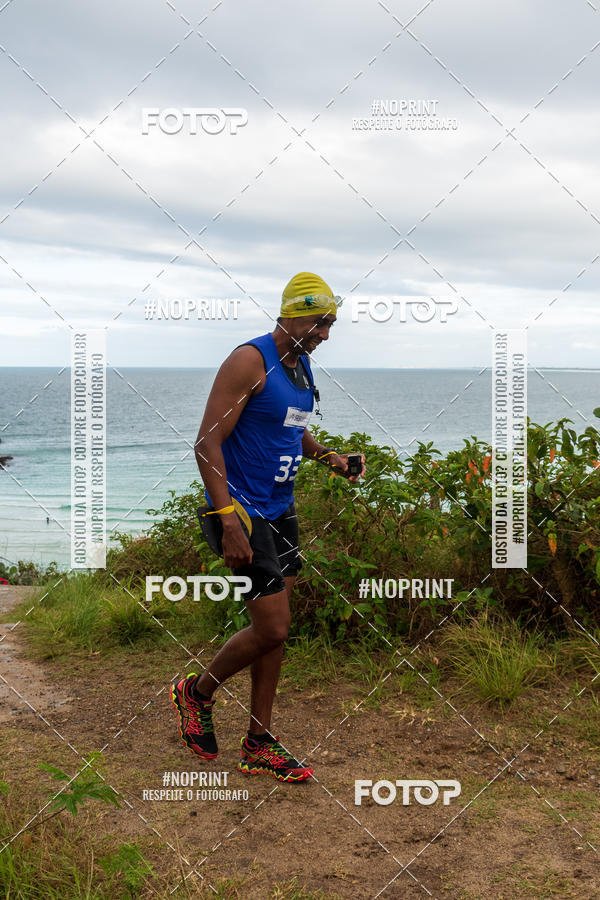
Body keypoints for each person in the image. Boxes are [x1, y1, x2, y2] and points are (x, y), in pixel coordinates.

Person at [171, 272, 365, 782]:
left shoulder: (299, 367)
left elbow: (292, 430)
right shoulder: (249, 361)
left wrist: (331, 458)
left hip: (282, 510)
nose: (326, 334)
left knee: (272, 635)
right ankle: (196, 693)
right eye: (320, 322)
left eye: (331, 325)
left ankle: (258, 742)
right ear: (292, 313)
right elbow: (207, 444)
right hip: (246, 514)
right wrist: (225, 517)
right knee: (273, 627)